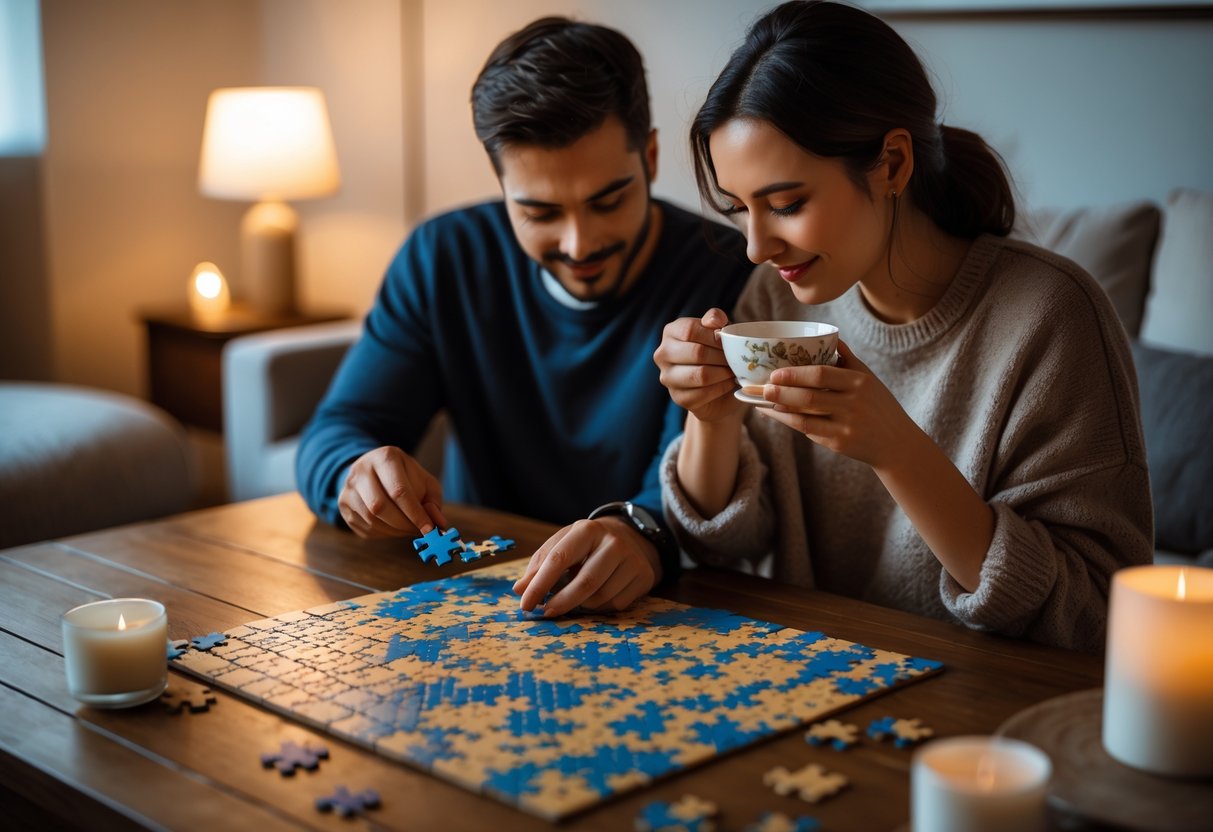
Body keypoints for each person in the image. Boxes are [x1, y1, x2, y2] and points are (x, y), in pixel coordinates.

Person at [653, 0, 1152, 653]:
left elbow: (1092, 616)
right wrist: (711, 418)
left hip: (977, 716)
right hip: (806, 678)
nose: (755, 246)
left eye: (786, 204)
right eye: (738, 209)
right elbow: (721, 549)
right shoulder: (781, 294)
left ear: (891, 163)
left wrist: (898, 451)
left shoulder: (1049, 315)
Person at [297, 17, 751, 617]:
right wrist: (352, 475)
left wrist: (639, 532)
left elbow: (694, 489)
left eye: (607, 200)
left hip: (660, 614)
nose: (579, 243)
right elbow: (337, 430)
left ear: (650, 155)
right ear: (501, 186)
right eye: (539, 212)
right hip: (476, 599)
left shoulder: (729, 271)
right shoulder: (443, 257)